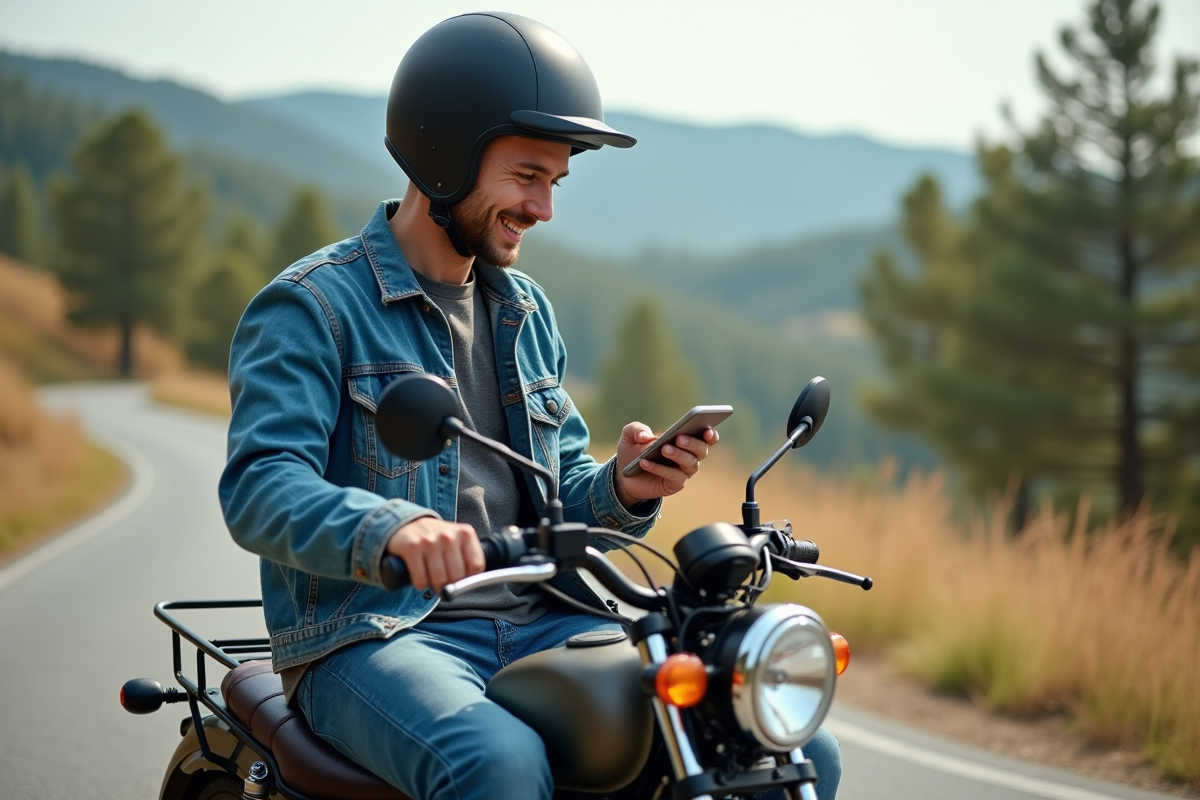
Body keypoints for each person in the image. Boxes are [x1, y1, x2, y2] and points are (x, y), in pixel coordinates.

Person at [219, 11, 840, 800]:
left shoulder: (525, 311)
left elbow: (553, 496)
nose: (544, 209)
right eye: (526, 176)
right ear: (444, 154)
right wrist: (393, 528)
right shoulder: (313, 307)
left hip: (550, 620)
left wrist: (621, 486)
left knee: (775, 738)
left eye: (554, 182)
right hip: (379, 634)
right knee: (498, 764)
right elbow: (260, 487)